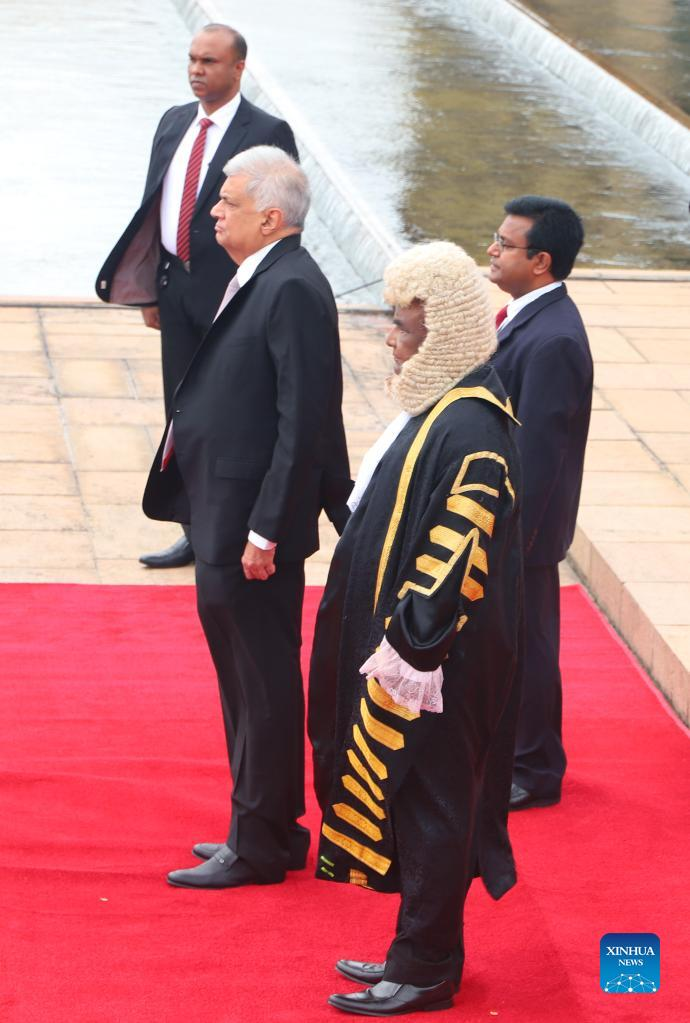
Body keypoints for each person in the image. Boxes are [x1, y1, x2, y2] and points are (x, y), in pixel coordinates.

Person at [308, 242, 523, 1016]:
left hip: (434, 664)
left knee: (431, 804)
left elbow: (455, 555)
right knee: (415, 802)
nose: (391, 337)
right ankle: (421, 947)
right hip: (412, 651)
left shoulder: (473, 429)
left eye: (402, 326)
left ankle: (426, 964)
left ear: (442, 339)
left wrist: (409, 650)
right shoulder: (440, 409)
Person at [142, 146, 351, 888]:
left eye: (227, 202)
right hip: (225, 512)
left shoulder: (291, 285)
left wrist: (269, 526)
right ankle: (266, 825)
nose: (213, 212)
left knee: (260, 683)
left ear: (269, 217)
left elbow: (305, 418)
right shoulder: (265, 272)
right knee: (245, 680)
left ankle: (258, 842)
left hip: (249, 526)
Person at [95, 23, 298, 569]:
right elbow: (153, 205)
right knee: (180, 409)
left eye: (209, 61)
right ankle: (192, 529)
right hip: (175, 287)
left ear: (238, 68)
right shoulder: (174, 121)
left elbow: (283, 223)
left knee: (233, 410)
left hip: (233, 295)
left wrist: (263, 295)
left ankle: (235, 526)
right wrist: (149, 290)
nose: (196, 70)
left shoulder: (268, 132)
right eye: (192, 59)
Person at [488, 196, 592, 811]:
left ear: (542, 261)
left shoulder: (554, 340)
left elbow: (539, 455)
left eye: (505, 244)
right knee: (511, 643)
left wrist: (510, 536)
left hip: (522, 530)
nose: (493, 250)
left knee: (527, 647)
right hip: (507, 522)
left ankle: (535, 769)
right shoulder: (527, 318)